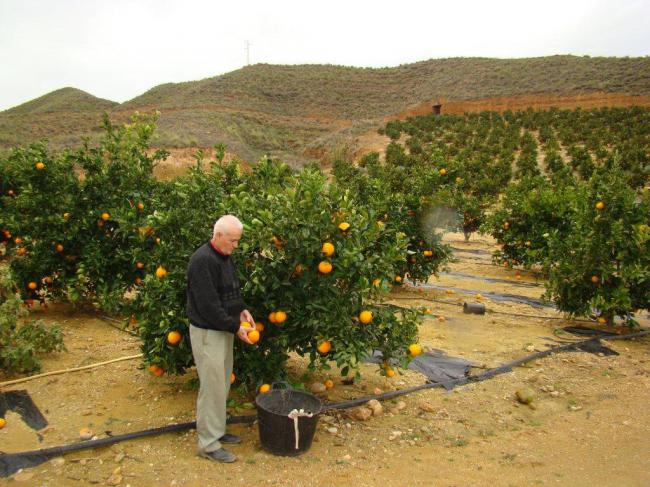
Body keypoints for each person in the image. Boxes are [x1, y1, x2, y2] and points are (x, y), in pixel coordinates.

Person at [186, 214, 255, 463]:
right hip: (208, 332)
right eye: (233, 241)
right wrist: (235, 326)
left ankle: (217, 429)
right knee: (211, 386)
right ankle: (208, 443)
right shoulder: (201, 261)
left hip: (223, 329)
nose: (236, 246)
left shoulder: (224, 257)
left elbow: (230, 289)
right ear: (218, 236)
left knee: (222, 383)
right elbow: (208, 305)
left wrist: (241, 309)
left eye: (238, 241)